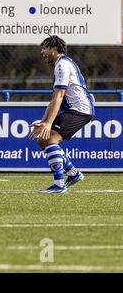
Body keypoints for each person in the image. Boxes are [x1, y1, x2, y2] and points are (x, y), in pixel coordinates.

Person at [29, 35, 94, 193]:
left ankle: (59, 185)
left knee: (51, 138)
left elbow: (59, 95)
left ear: (54, 48)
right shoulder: (61, 64)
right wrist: (44, 122)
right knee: (43, 140)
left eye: (44, 47)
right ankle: (73, 173)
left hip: (80, 109)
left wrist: (49, 123)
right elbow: (54, 99)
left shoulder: (62, 65)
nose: (42, 51)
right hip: (76, 109)